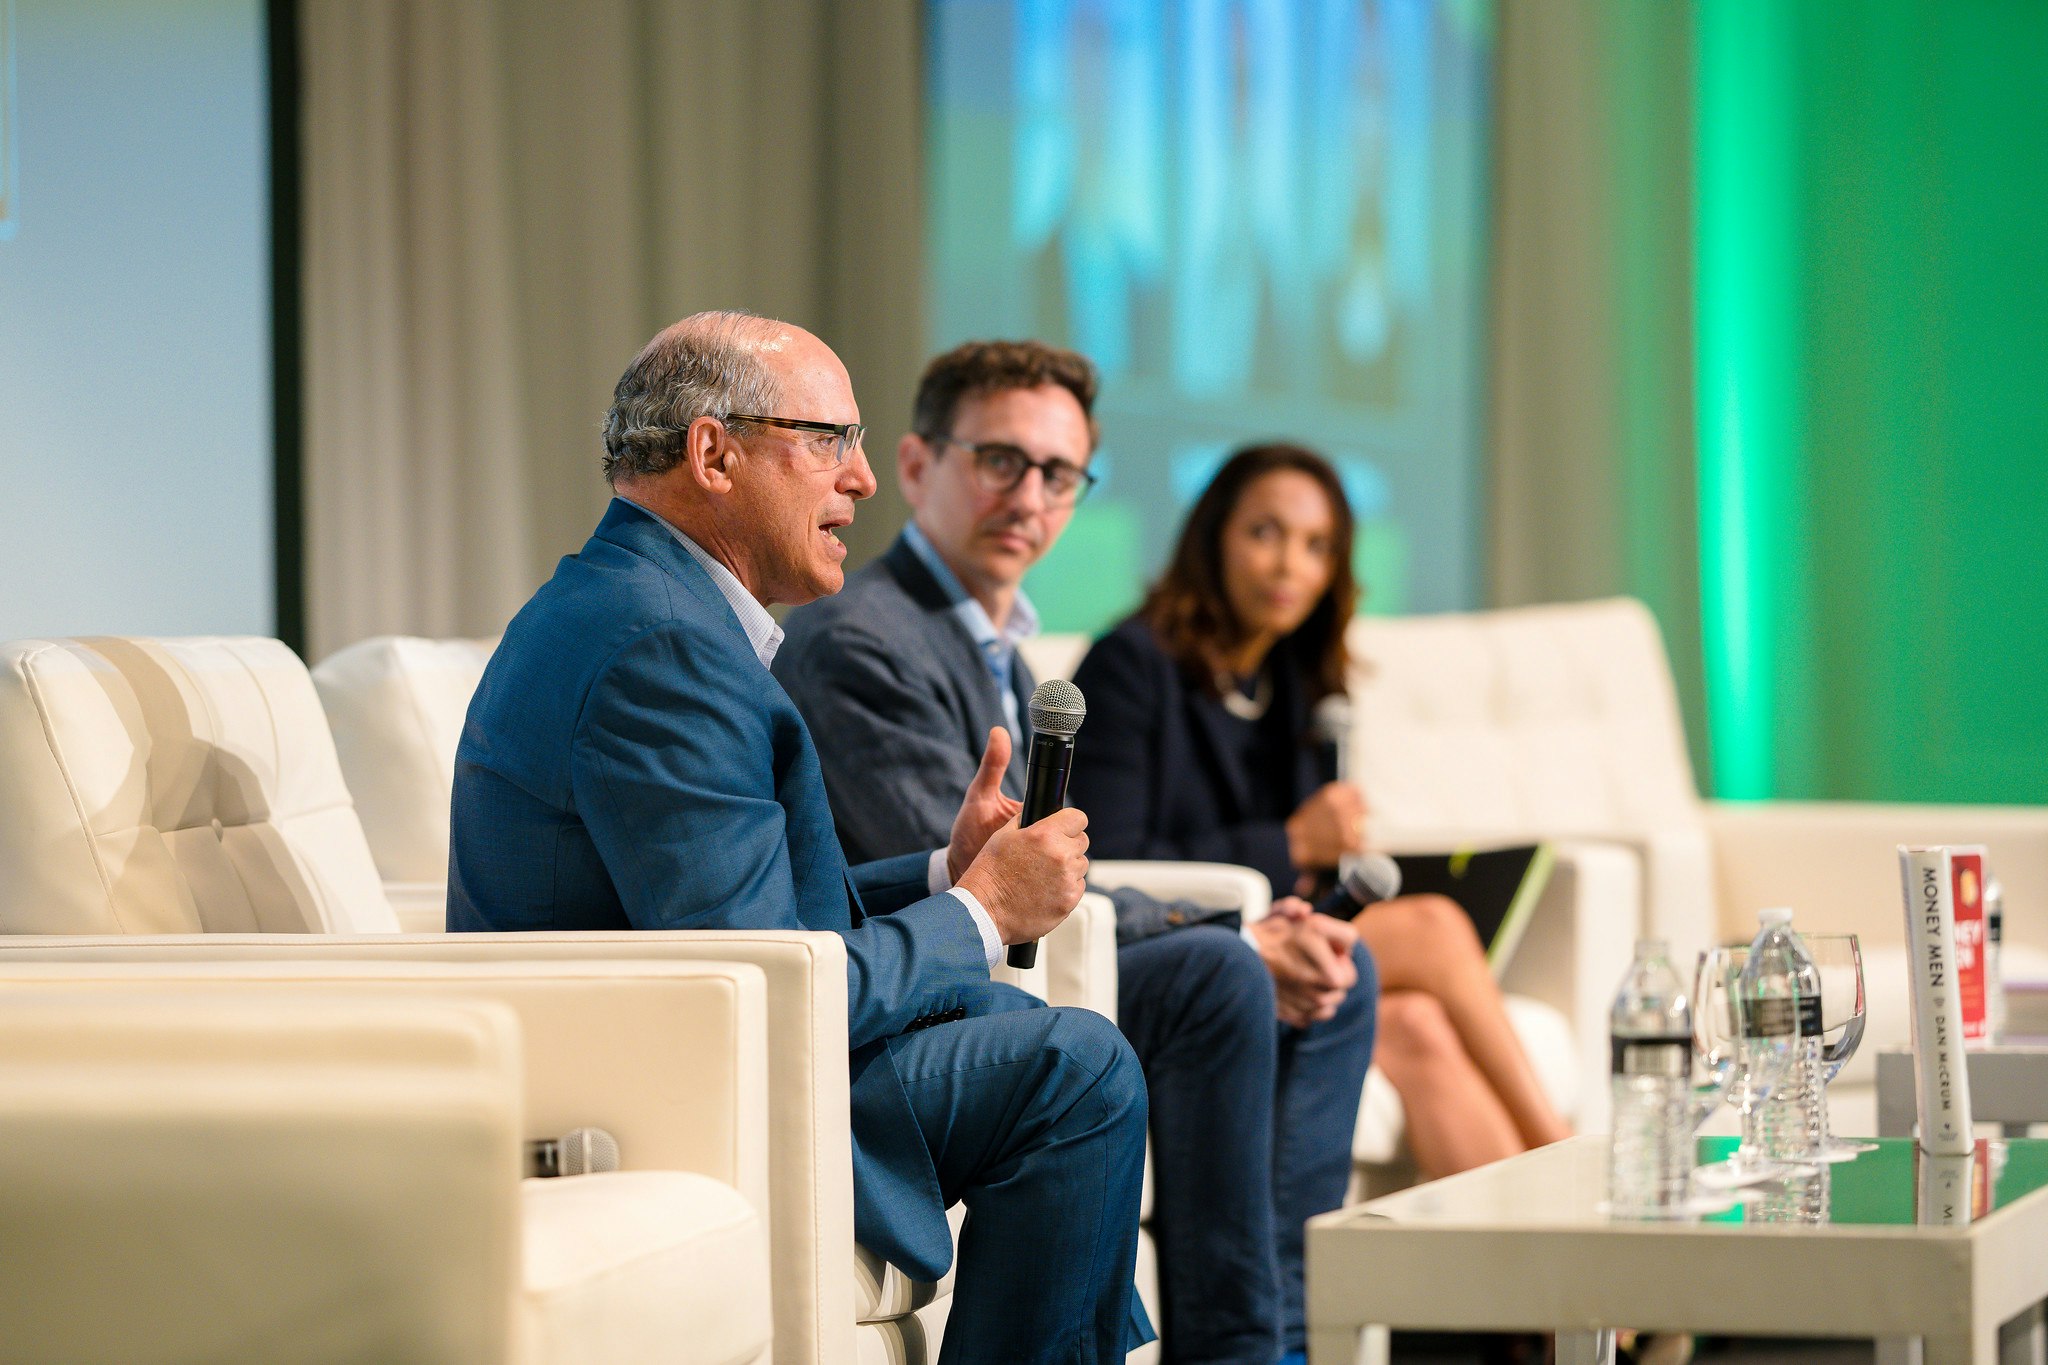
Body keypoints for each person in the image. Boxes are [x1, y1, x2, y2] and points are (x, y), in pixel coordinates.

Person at [448, 312, 1153, 1364]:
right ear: (712, 453)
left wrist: (938, 876)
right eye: (828, 440)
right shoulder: (662, 647)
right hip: (662, 1082)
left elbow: (747, 911)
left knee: (1046, 1043)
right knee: (1074, 1067)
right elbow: (761, 974)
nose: (862, 480)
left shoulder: (642, 606)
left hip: (669, 1033)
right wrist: (981, 913)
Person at [774, 340, 1376, 1365]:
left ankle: (1279, 1337)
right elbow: (991, 879)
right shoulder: (864, 641)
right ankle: (1234, 1352)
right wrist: (1221, 929)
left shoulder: (1000, 640)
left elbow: (1051, 874)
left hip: (1033, 961)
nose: (1031, 496)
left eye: (1059, 474)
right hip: (947, 986)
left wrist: (1236, 922)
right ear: (917, 467)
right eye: (999, 460)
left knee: (1335, 969)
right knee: (1215, 976)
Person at [1068, 443, 1573, 1180]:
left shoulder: (1295, 681)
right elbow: (1109, 856)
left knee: (1419, 1027)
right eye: (1264, 533)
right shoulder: (1130, 663)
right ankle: (1568, 1159)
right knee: (1434, 929)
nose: (1287, 567)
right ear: (1212, 536)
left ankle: (1530, 1275)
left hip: (1291, 938)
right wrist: (1293, 839)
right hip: (1188, 948)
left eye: (1316, 546)